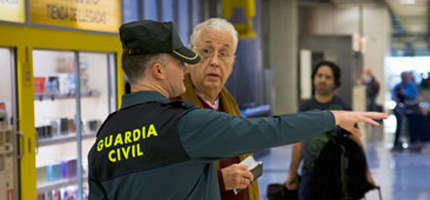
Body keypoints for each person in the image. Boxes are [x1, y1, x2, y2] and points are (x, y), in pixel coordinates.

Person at [87, 20, 387, 200]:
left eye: (224, 54)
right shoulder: (184, 123)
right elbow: (269, 130)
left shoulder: (105, 137)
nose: (186, 66)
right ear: (158, 70)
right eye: (182, 60)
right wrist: (334, 116)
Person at [173, 18, 259, 200]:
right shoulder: (171, 107)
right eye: (206, 51)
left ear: (232, 63)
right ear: (189, 55)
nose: (214, 62)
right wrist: (219, 180)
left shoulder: (229, 104)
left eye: (223, 54)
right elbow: (158, 180)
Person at [285, 61, 375, 200]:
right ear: (314, 78)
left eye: (328, 77)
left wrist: (366, 174)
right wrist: (292, 172)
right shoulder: (306, 108)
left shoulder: (342, 107)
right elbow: (298, 143)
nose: (323, 80)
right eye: (320, 76)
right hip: (310, 172)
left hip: (336, 175)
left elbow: (355, 141)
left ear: (335, 82)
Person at [392, 71, 418, 151]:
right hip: (400, 109)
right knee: (399, 126)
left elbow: (414, 96)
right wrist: (396, 99)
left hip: (410, 109)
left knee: (412, 126)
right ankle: (397, 144)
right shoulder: (398, 86)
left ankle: (413, 143)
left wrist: (404, 93)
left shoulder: (411, 86)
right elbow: (393, 96)